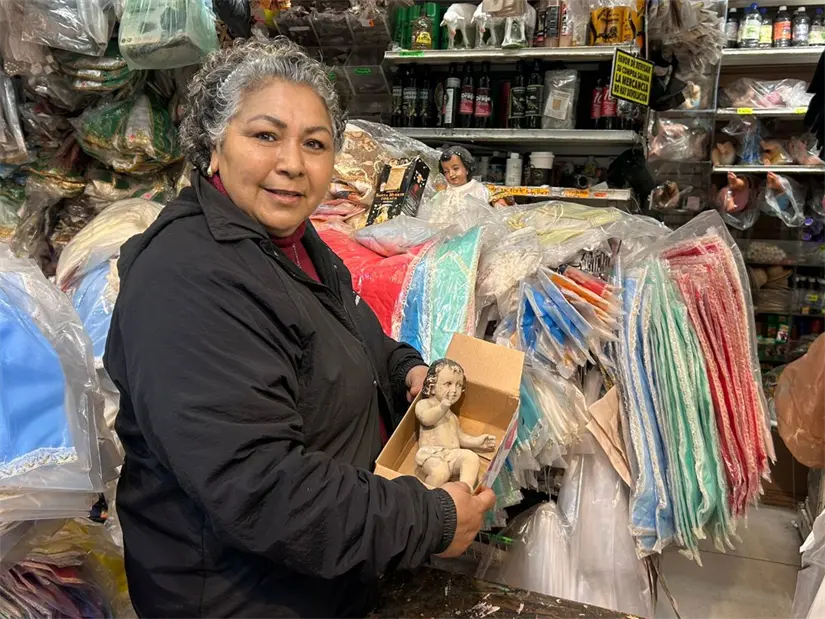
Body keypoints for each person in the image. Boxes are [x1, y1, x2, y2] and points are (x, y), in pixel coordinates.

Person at [104, 37, 495, 619]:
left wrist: (405, 369)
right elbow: (259, 486)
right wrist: (427, 518)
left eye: (315, 143)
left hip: (315, 582)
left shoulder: (296, 246)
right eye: (265, 135)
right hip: (239, 598)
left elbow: (355, 335)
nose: (292, 163)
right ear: (214, 146)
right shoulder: (188, 279)